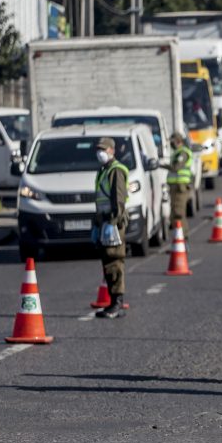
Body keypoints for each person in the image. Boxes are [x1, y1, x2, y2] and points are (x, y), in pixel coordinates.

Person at [93, 137, 129, 319]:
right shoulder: (104, 170)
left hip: (113, 222)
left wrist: (113, 223)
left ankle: (117, 303)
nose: (100, 153)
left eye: (104, 149)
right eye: (99, 149)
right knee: (108, 262)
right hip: (104, 222)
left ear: (112, 151)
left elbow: (118, 200)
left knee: (114, 261)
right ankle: (113, 301)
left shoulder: (116, 170)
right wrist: (96, 223)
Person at [163, 132, 193, 233]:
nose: (171, 144)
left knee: (178, 212)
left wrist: (162, 165)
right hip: (175, 187)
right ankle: (179, 236)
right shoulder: (176, 153)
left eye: (173, 142)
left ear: (178, 141)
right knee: (175, 211)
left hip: (180, 186)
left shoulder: (183, 153)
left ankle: (182, 235)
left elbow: (176, 167)